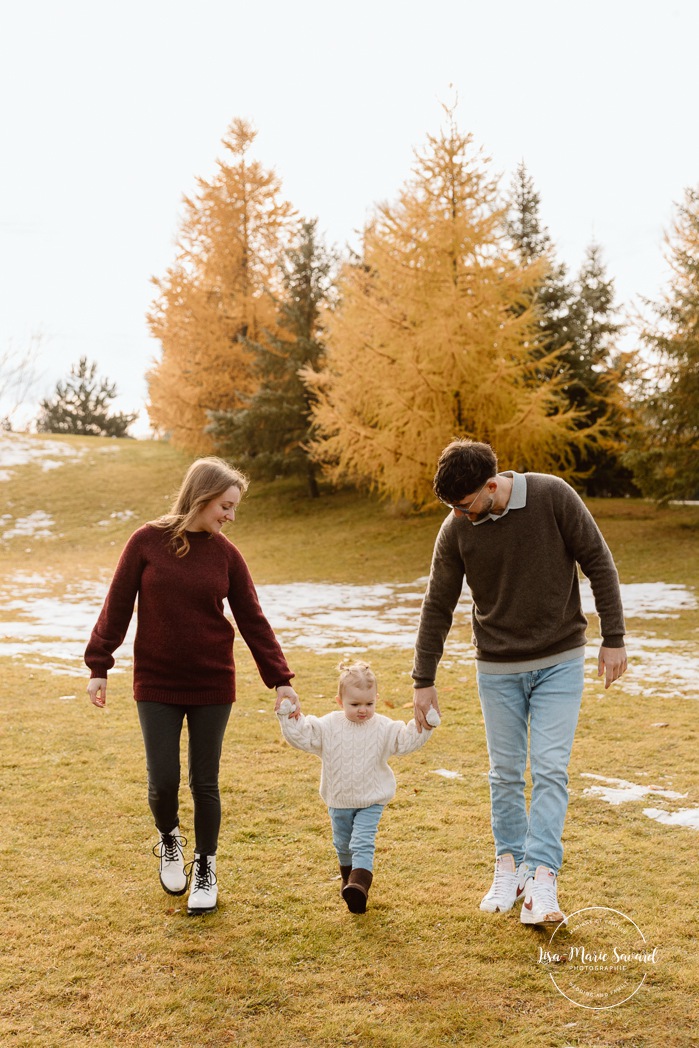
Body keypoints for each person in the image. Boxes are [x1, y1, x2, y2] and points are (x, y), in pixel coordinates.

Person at [412, 440, 627, 926]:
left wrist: (613, 638)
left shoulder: (553, 496)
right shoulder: (456, 528)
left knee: (550, 770)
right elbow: (437, 604)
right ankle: (509, 866)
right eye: (451, 507)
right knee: (505, 773)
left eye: (464, 504)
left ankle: (543, 879)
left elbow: (598, 561)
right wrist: (423, 679)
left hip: (560, 660)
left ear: (491, 485)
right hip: (496, 668)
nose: (458, 515)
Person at [85, 457, 298, 916]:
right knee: (163, 781)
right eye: (226, 505)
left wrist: (280, 679)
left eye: (234, 507)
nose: (231, 516)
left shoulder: (227, 555)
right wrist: (99, 663)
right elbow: (116, 604)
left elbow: (253, 619)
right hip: (156, 682)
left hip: (212, 682)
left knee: (205, 782)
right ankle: (169, 839)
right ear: (201, 497)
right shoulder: (146, 541)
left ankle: (205, 867)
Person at [277, 660, 440, 914]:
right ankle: (348, 880)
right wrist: (287, 716)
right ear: (340, 701)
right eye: (354, 705)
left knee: (362, 842)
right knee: (343, 844)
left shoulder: (384, 727)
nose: (363, 710)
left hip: (371, 799)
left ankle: (359, 886)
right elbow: (302, 736)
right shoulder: (328, 726)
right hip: (339, 799)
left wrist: (426, 725)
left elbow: (405, 740)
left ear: (376, 699)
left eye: (369, 704)